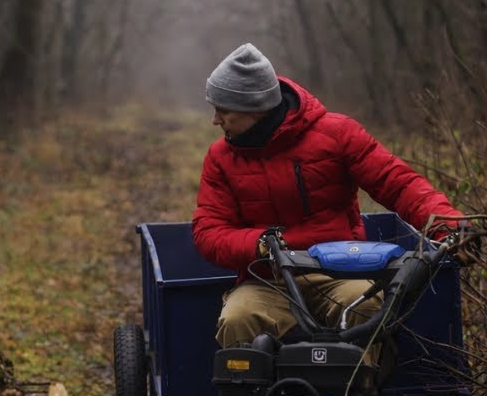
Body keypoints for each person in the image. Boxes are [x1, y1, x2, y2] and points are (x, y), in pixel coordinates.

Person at [192, 43, 468, 349]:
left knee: (364, 307)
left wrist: (449, 225)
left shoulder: (337, 134)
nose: (215, 120)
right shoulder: (220, 157)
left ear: (254, 107)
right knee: (237, 319)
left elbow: (397, 183)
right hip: (268, 280)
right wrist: (258, 243)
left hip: (341, 273)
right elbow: (209, 231)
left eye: (222, 110)